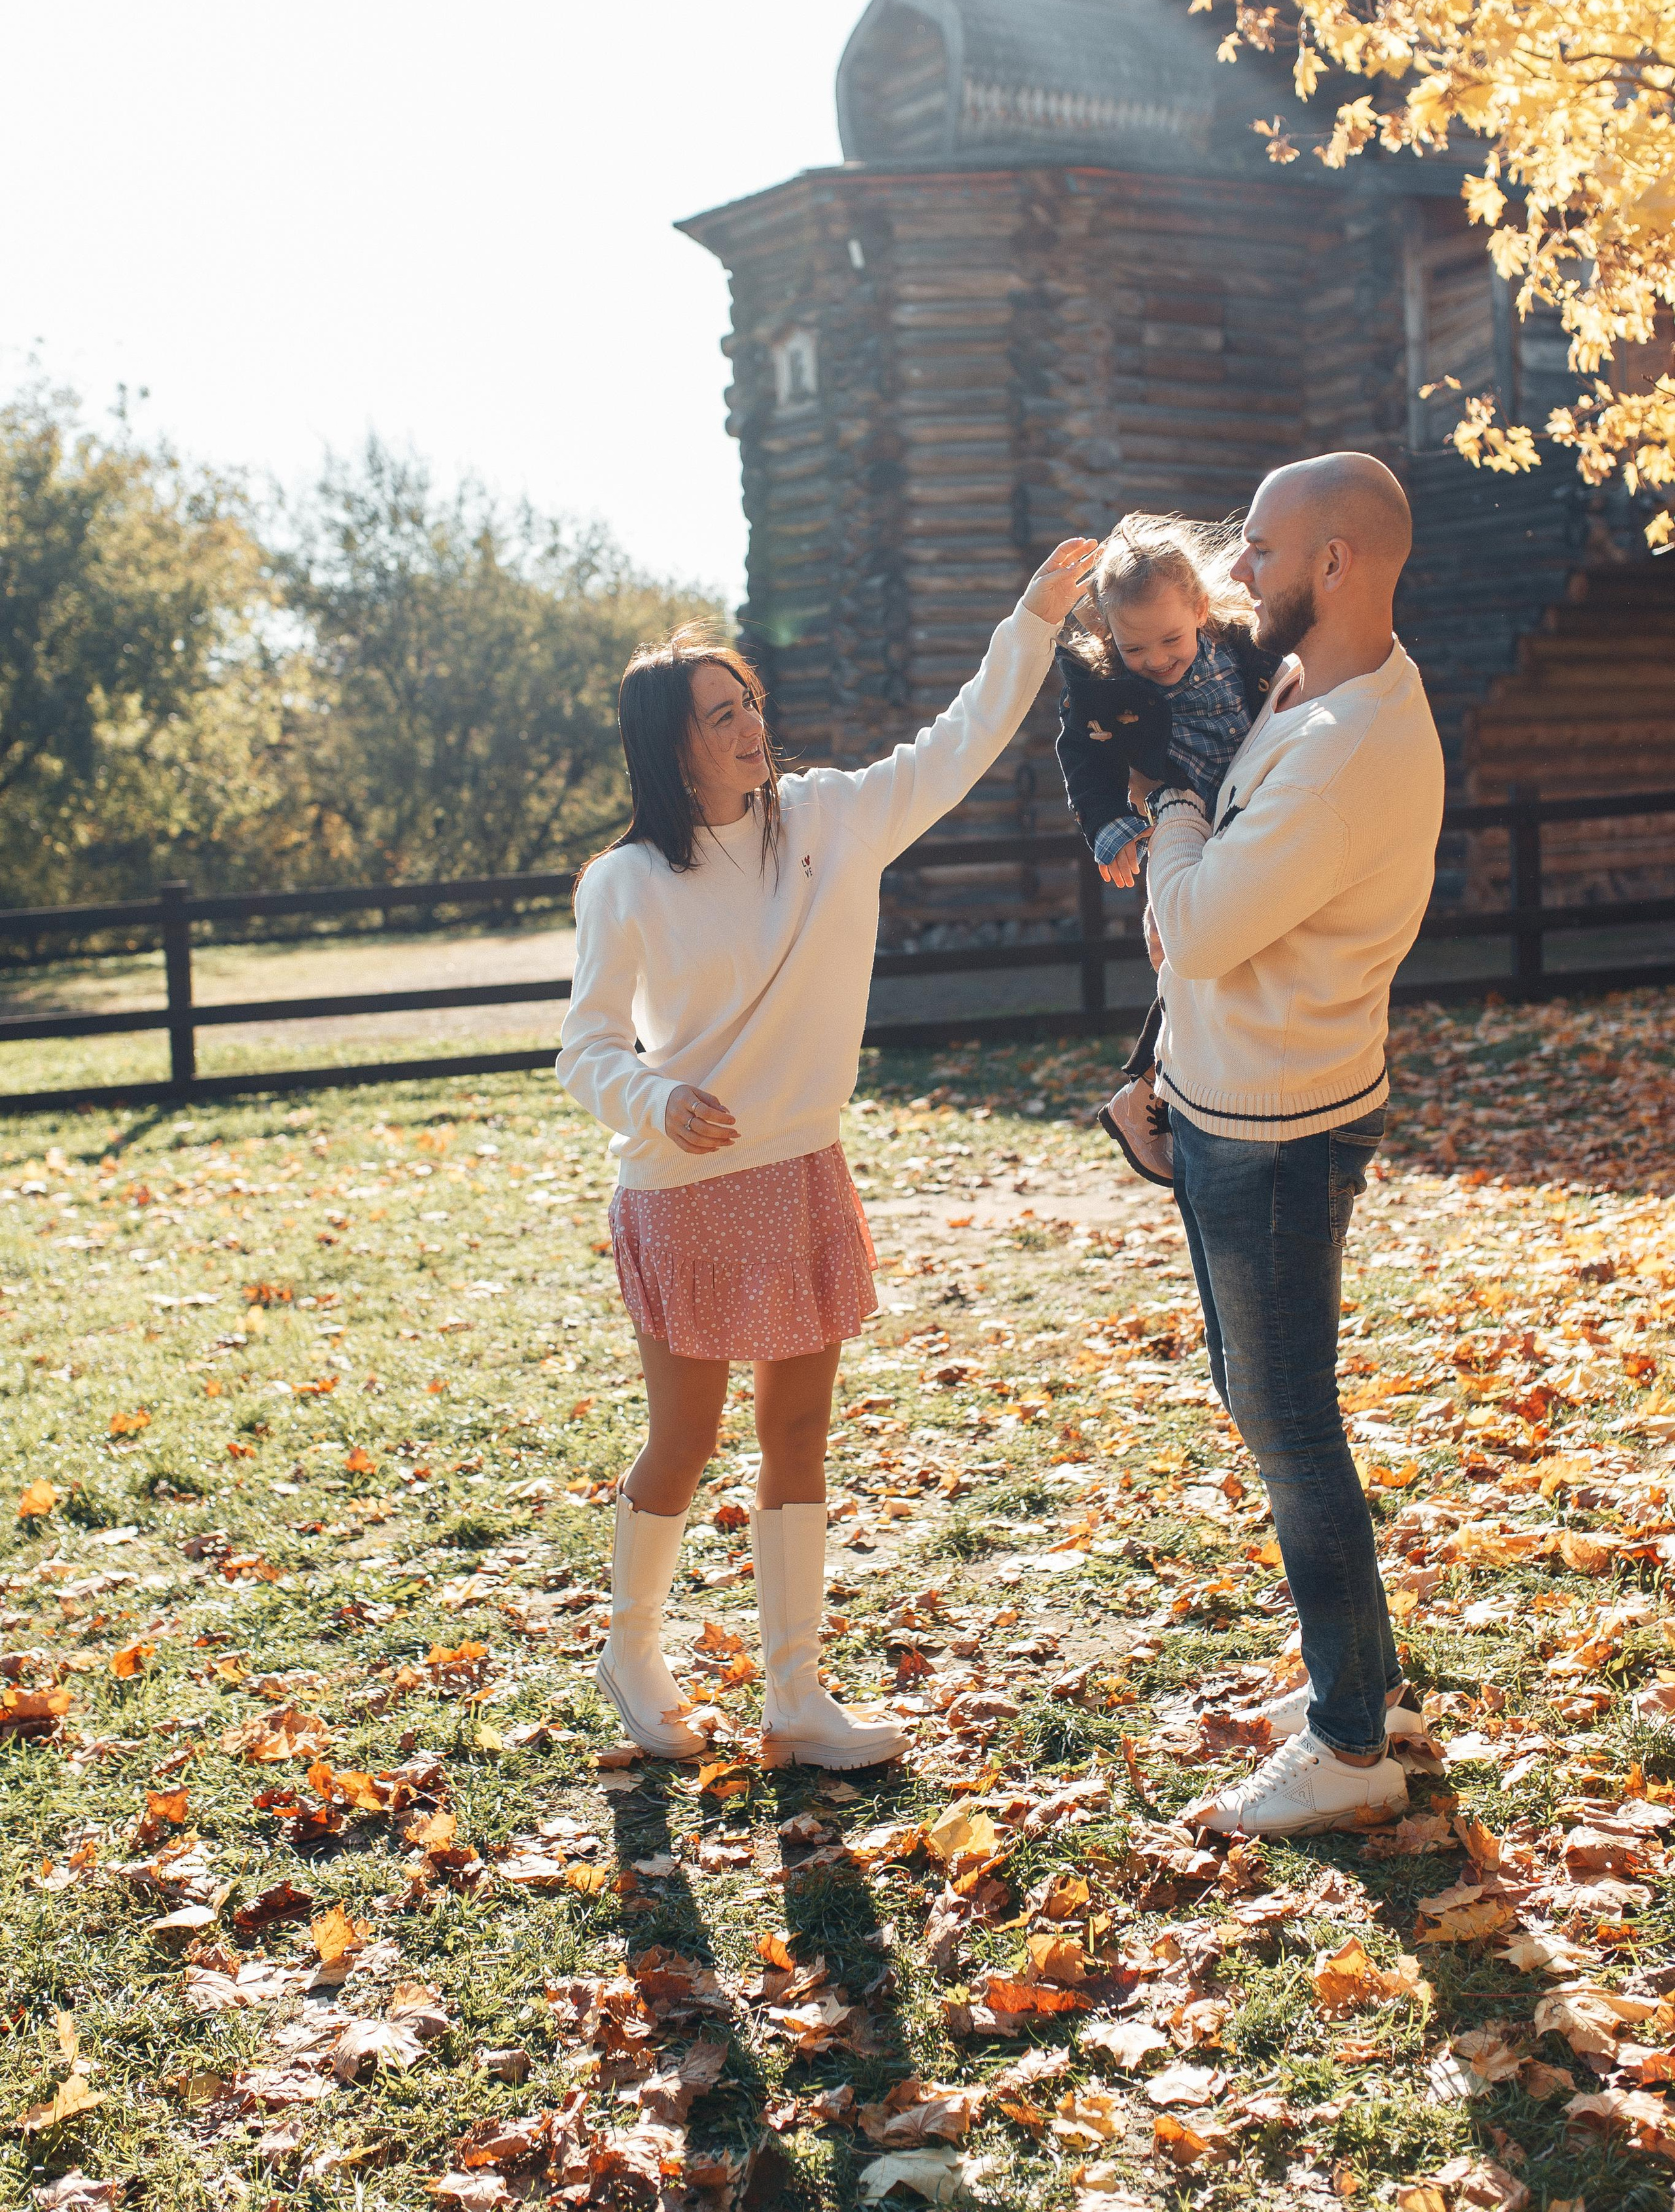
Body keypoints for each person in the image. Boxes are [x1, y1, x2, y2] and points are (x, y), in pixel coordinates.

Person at [555, 537, 1097, 1770]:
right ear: (673, 747)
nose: (753, 724)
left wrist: (1031, 620)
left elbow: (959, 741)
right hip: (684, 1184)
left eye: (751, 701)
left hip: (801, 1167)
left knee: (797, 1432)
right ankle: (631, 1652)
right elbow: (584, 1047)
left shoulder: (834, 818)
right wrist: (653, 1098)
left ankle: (795, 1696)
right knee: (686, 1441)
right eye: (722, 714)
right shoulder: (625, 883)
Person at [1135, 452, 1443, 1838]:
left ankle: (1347, 1744)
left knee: (1288, 1426)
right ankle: (1367, 1684)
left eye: (1257, 548)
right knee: (1274, 1407)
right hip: (1244, 1100)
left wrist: (1165, 812)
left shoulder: (1341, 751)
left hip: (1274, 1131)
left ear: (1333, 562)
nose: (1234, 571)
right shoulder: (1314, 682)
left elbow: (1199, 923)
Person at [1055, 514, 1279, 1185]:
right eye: (1135, 648)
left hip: (1250, 822)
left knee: (1237, 966)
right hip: (1180, 830)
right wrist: (1110, 830)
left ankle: (1167, 1089)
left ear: (1200, 609)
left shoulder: (1246, 645)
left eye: (1170, 640)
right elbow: (1084, 761)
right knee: (1178, 955)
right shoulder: (1103, 687)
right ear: (1109, 636)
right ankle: (1157, 1091)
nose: (1155, 660)